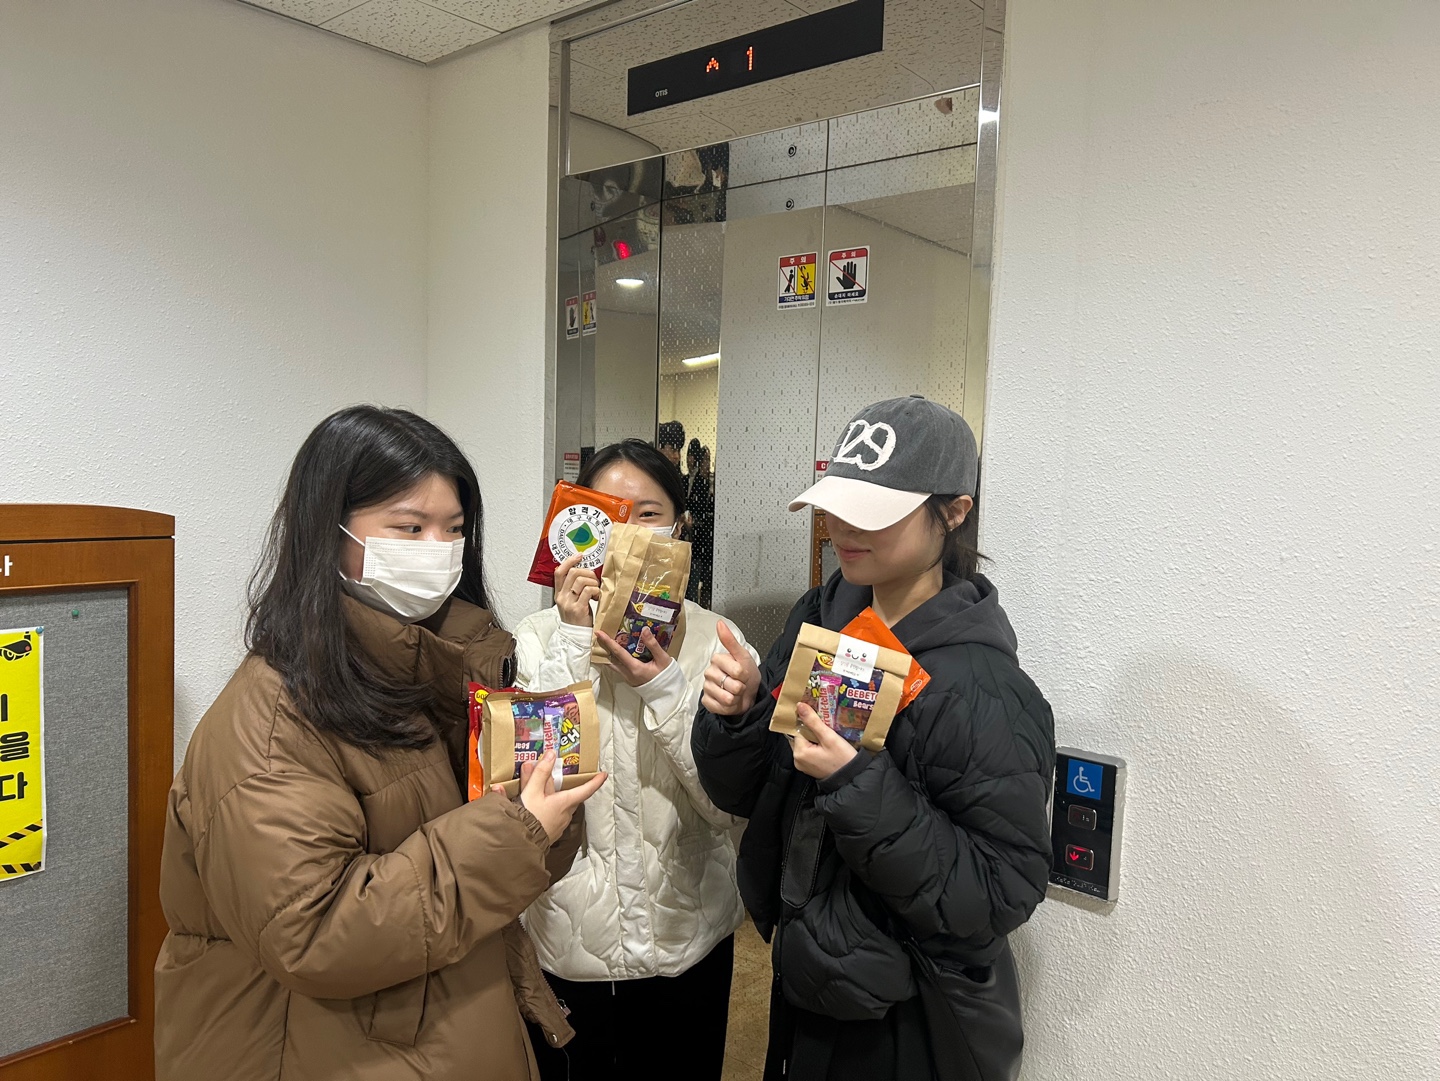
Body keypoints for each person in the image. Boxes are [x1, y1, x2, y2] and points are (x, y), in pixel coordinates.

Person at [154, 406, 606, 1081]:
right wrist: (514, 830)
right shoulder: (268, 721)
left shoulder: (447, 667)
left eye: (454, 529)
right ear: (328, 532)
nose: (439, 548)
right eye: (409, 527)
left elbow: (509, 864)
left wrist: (543, 814)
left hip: (445, 1022)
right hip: (320, 1050)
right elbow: (314, 933)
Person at [692, 396, 1056, 1081]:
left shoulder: (982, 689)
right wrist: (740, 714)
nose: (841, 528)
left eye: (875, 511)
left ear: (954, 512)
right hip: (808, 983)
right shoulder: (823, 621)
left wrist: (856, 783)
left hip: (903, 1021)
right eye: (836, 505)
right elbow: (747, 793)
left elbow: (1000, 891)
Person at [513, 438, 760, 1081]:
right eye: (606, 514)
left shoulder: (717, 641)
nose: (626, 533)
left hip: (687, 937)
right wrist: (574, 640)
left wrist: (666, 687)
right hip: (570, 942)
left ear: (680, 526)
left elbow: (728, 807)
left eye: (647, 514)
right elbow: (534, 792)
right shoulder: (534, 640)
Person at [684, 437, 716, 607]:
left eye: (708, 460)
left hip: (707, 539)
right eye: (704, 460)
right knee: (693, 581)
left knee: (705, 581)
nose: (707, 464)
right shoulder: (693, 480)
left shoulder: (708, 482)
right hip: (695, 539)